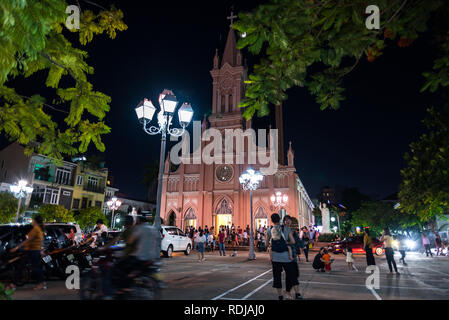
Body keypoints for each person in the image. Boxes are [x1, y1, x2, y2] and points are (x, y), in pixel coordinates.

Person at [266, 213, 301, 300]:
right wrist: (286, 243)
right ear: (280, 219)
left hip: (275, 257)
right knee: (291, 275)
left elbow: (266, 244)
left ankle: (280, 296)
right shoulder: (286, 228)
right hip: (286, 257)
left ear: (272, 220)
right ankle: (294, 294)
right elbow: (293, 241)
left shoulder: (269, 230)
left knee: (277, 276)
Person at [11, 215, 46, 290]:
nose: (32, 221)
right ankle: (14, 284)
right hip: (33, 250)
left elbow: (28, 240)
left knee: (31, 267)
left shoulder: (36, 229)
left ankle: (41, 283)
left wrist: (17, 247)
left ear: (35, 221)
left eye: (33, 220)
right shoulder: (38, 229)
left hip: (32, 250)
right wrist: (41, 250)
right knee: (27, 266)